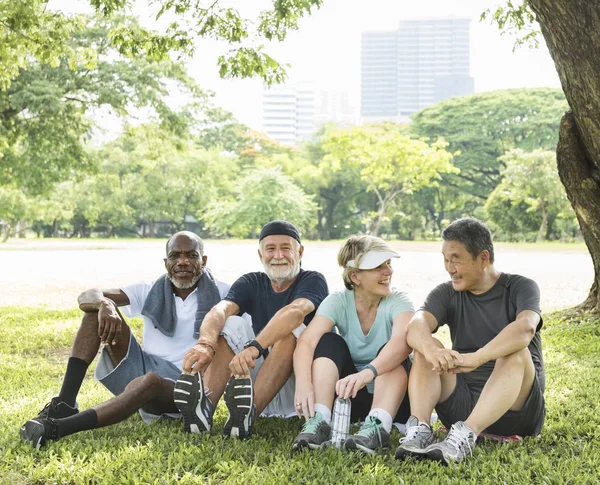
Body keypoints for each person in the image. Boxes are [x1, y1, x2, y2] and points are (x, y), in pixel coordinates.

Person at [20, 231, 230, 448]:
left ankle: (56, 428)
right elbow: (89, 294)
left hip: (186, 385)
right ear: (166, 262)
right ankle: (64, 403)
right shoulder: (149, 290)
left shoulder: (224, 293)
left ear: (203, 261)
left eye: (191, 255)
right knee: (95, 311)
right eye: (175, 255)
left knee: (150, 381)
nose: (183, 262)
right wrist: (105, 304)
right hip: (142, 369)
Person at [395, 217, 545, 465]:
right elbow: (416, 326)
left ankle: (466, 436)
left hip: (516, 409)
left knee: (517, 351)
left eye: (456, 258)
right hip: (461, 403)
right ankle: (420, 430)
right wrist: (431, 349)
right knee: (425, 346)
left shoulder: (521, 287)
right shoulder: (447, 292)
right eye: (445, 258)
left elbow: (525, 329)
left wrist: (478, 357)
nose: (449, 267)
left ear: (483, 258)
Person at [176, 220, 329, 439]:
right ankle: (204, 408)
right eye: (270, 249)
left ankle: (248, 413)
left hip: (298, 389)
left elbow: (296, 312)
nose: (278, 255)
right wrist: (205, 343)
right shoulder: (252, 281)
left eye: (286, 248)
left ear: (300, 252)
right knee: (230, 324)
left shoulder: (313, 280)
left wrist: (255, 347)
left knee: (291, 331)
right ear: (260, 255)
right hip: (259, 381)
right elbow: (220, 310)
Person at [292, 235, 414, 454]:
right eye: (379, 266)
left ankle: (377, 427)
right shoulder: (338, 301)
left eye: (389, 264)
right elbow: (307, 342)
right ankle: (320, 420)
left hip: (396, 401)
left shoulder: (399, 301)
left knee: (390, 351)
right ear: (355, 277)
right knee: (329, 340)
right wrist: (303, 384)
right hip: (351, 399)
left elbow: (402, 344)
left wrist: (366, 374)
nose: (389, 272)